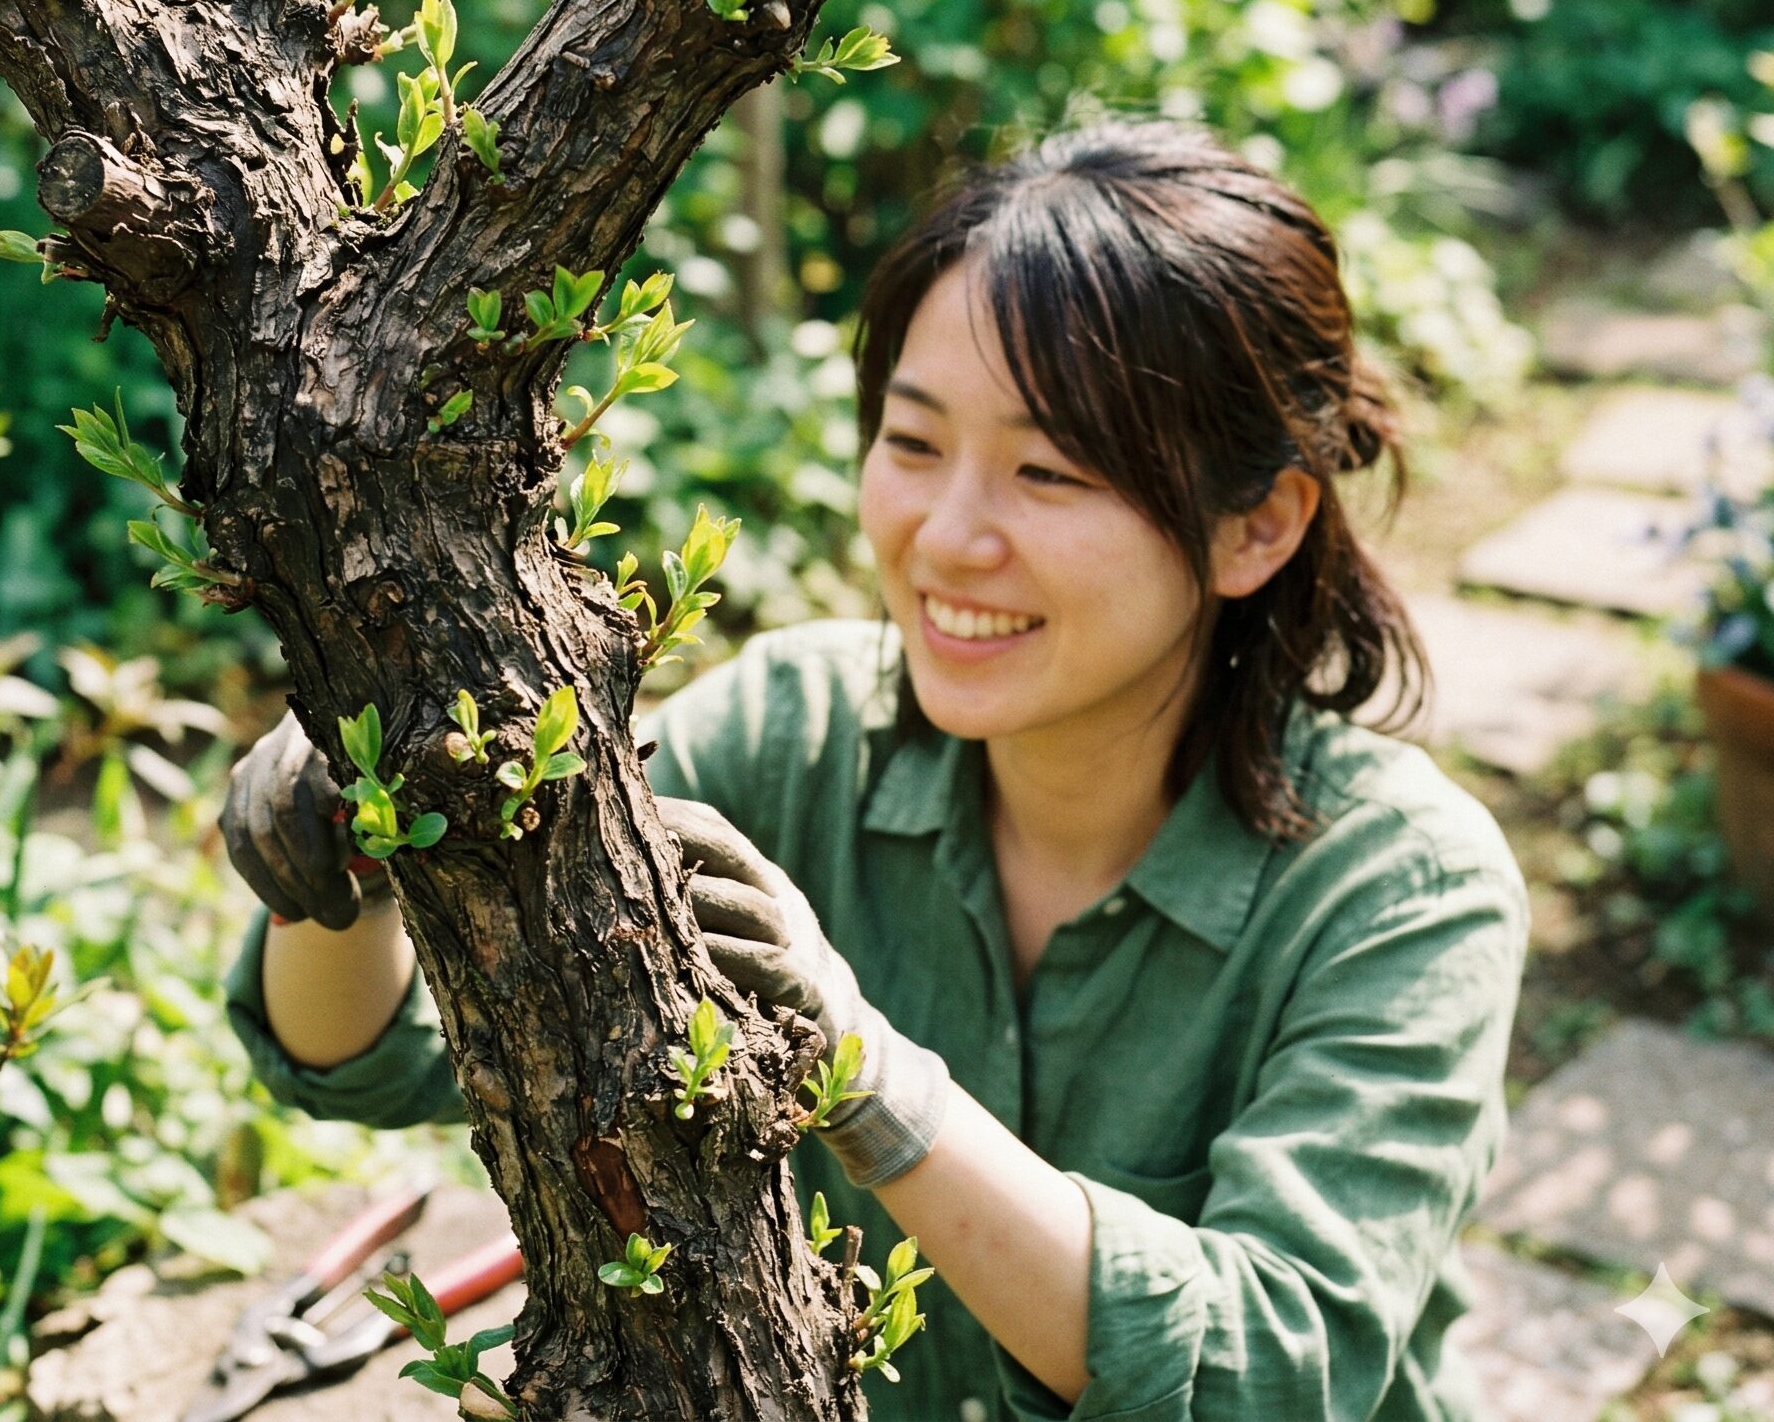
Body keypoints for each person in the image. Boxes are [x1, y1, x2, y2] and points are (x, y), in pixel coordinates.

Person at [219, 117, 1530, 1422]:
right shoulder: (794, 738)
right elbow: (393, 1058)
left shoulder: (1401, 886)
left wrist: (868, 1079)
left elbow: (1277, 1372)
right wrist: (344, 867)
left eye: (1051, 471)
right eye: (911, 444)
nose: (949, 537)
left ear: (1257, 527)